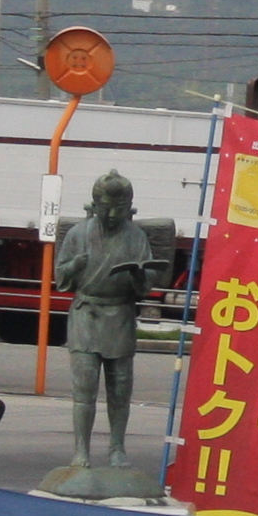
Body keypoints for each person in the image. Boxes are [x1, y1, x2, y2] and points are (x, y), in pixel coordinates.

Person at [52, 171, 161, 468]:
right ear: (95, 204)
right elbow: (60, 274)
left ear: (129, 207)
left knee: (120, 387)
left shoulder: (135, 236)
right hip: (87, 314)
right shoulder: (78, 233)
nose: (112, 215)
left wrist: (139, 274)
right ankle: (81, 450)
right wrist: (74, 265)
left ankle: (117, 447)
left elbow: (149, 276)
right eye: (106, 208)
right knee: (84, 387)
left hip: (120, 314)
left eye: (119, 209)